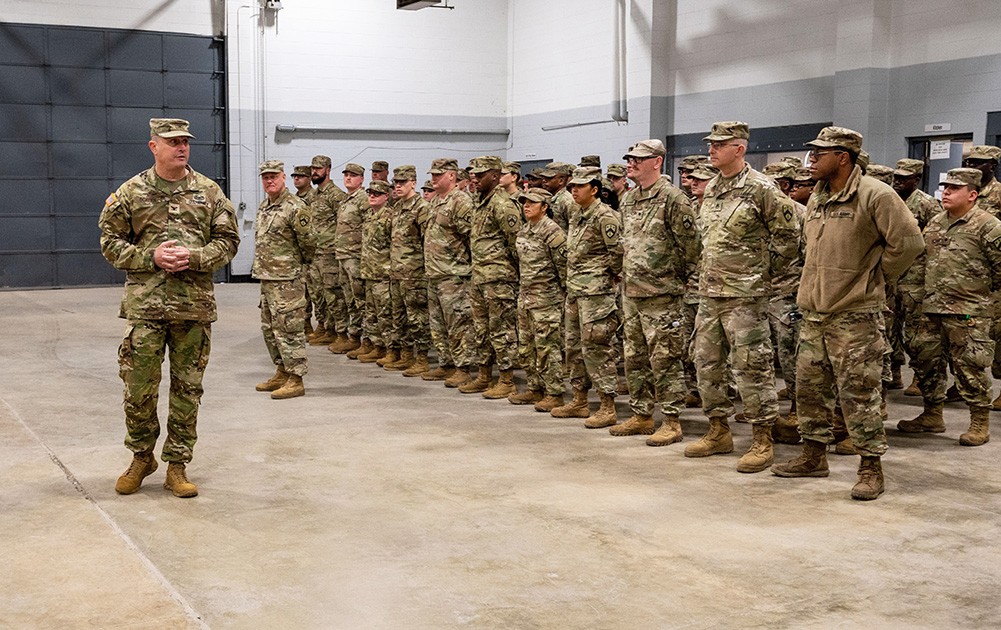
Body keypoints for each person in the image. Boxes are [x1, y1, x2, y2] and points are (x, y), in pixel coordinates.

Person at [772, 126, 922, 501]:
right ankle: (813, 455)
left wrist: (874, 277)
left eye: (820, 154)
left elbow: (909, 243)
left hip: (854, 315)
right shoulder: (819, 198)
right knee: (808, 390)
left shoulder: (876, 194)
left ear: (843, 157)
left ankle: (871, 467)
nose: (812, 160)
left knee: (859, 394)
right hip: (814, 313)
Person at [100, 117, 239, 498]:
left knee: (187, 389)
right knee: (138, 388)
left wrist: (194, 257)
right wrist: (150, 257)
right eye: (172, 141)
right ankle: (142, 457)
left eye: (185, 141)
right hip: (145, 309)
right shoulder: (131, 192)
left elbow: (228, 242)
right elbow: (110, 242)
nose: (181, 147)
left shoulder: (209, 192)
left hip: (192, 309)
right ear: (153, 146)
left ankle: (177, 465)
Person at [688, 121, 800, 474]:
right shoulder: (713, 189)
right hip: (710, 295)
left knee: (751, 366)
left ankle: (762, 438)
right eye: (710, 144)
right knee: (707, 365)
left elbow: (789, 238)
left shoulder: (761, 189)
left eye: (719, 145)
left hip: (745, 297)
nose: (711, 150)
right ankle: (718, 430)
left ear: (740, 149)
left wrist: (763, 277)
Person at [896, 168, 1001, 446]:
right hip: (930, 309)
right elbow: (920, 261)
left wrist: (985, 302)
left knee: (971, 367)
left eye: (954, 189)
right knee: (925, 360)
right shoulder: (935, 223)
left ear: (972, 194)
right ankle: (932, 414)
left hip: (968, 311)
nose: (946, 193)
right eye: (945, 188)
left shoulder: (988, 225)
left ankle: (979, 422)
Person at [609, 140, 700, 445]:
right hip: (632, 292)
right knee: (634, 357)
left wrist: (679, 281)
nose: (631, 163)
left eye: (638, 159)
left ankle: (672, 420)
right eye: (629, 158)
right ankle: (642, 414)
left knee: (665, 358)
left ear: (657, 162)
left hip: (662, 293)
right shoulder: (630, 199)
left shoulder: (674, 199)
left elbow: (692, 248)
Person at [550, 166, 623, 427]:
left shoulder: (605, 216)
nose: (574, 190)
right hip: (576, 290)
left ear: (595, 189)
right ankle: (580, 399)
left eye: (580, 187)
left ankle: (607, 405)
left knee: (597, 348)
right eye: (572, 186)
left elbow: (618, 253)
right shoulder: (577, 214)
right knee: (573, 347)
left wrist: (608, 277)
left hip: (596, 293)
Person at [252, 160, 316, 400]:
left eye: (273, 176)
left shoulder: (295, 207)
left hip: (288, 279)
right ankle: (282, 371)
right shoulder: (265, 207)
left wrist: (296, 267)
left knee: (289, 329)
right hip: (267, 276)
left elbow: (309, 242)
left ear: (283, 178)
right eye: (265, 177)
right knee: (269, 329)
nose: (269, 181)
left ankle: (296, 378)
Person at [462, 155, 523, 398]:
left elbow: (516, 243)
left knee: (501, 329)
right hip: (480, 276)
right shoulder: (480, 202)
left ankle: (507, 379)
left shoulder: (503, 205)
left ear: (495, 176)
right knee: (481, 329)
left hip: (499, 279)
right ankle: (484, 375)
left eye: (480, 174)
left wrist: (510, 273)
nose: (474, 178)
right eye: (473, 174)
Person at [508, 187, 568, 411]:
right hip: (526, 297)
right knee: (526, 347)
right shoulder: (524, 230)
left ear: (545, 207)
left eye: (532, 202)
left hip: (546, 299)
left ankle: (554, 392)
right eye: (524, 202)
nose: (526, 206)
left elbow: (563, 265)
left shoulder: (552, 231)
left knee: (547, 347)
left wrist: (559, 294)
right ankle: (535, 387)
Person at [423, 158, 476, 386]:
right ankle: (446, 363)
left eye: (438, 175)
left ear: (452, 176)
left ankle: (463, 367)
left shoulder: (461, 202)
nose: (433, 179)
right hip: (434, 272)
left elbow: (471, 237)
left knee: (458, 324)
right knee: (438, 323)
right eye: (432, 175)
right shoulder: (436, 201)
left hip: (454, 275)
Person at [385, 165, 432, 375]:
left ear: (413, 182)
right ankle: (406, 355)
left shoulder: (421, 208)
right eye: (396, 182)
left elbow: (427, 241)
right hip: (397, 272)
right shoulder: (397, 207)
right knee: (399, 316)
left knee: (417, 318)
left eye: (403, 182)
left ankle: (422, 358)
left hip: (415, 274)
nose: (398, 186)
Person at [308, 155, 351, 351]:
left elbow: (343, 225)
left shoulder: (336, 195)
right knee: (319, 295)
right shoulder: (314, 195)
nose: (314, 172)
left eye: (318, 169)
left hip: (330, 254)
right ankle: (325, 327)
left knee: (334, 295)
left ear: (328, 169)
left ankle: (340, 331)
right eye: (313, 169)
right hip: (315, 253)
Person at [356, 180, 395, 363]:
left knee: (385, 315)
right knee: (371, 312)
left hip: (383, 275)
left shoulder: (390, 218)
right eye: (370, 193)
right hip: (369, 273)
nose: (372, 196)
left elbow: (394, 246)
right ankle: (377, 345)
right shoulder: (370, 217)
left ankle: (391, 350)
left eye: (376, 194)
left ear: (386, 197)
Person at [335, 163, 368, 357]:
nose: (348, 178)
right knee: (349, 299)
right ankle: (354, 337)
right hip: (343, 255)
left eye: (353, 175)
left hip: (355, 256)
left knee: (360, 300)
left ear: (361, 179)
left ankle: (367, 339)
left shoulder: (363, 199)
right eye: (346, 175)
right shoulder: (346, 200)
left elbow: (368, 226)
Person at [292, 165, 318, 337]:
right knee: (302, 290)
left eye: (301, 176)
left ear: (308, 179)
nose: (297, 179)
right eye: (295, 176)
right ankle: (305, 322)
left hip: (312, 250)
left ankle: (322, 325)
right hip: (297, 253)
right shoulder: (294, 199)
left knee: (316, 290)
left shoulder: (313, 197)